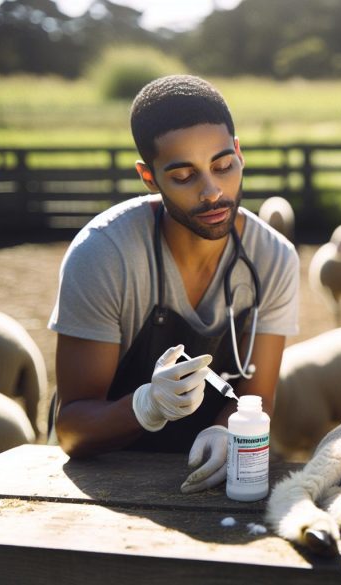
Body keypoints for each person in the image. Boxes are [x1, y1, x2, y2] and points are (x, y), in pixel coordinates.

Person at [49, 75, 299, 494]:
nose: (212, 191)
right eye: (184, 176)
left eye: (223, 166)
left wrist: (227, 434)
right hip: (108, 481)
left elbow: (258, 399)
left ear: (239, 153)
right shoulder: (103, 255)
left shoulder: (273, 257)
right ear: (149, 177)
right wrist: (147, 406)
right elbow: (72, 431)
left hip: (206, 481)